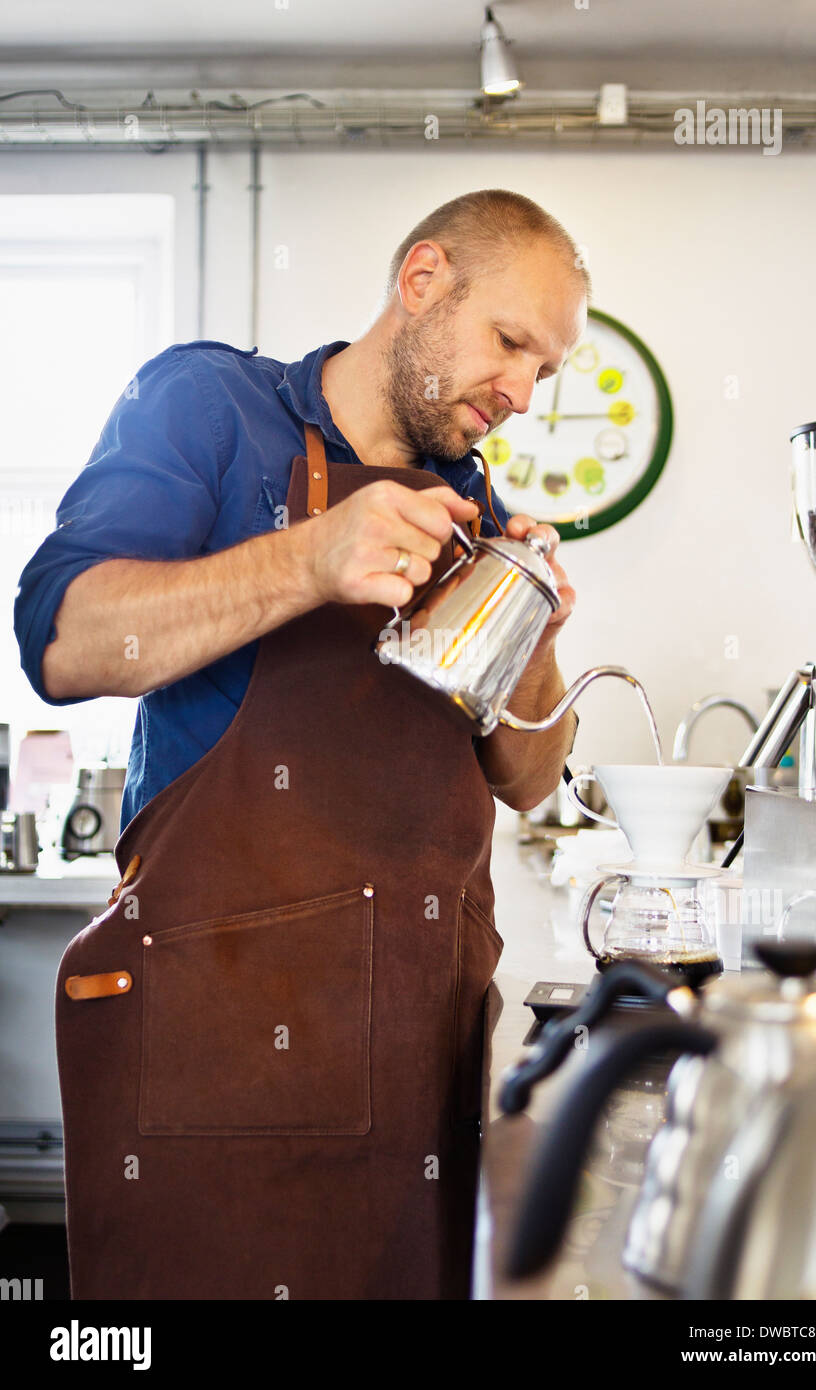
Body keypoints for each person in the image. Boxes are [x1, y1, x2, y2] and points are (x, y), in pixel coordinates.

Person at [15, 187, 588, 1301]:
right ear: (421, 282)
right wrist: (311, 560)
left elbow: (527, 779)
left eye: (543, 373)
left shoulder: (471, 505)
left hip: (417, 1072)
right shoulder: (206, 407)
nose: (518, 393)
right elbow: (66, 639)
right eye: (509, 343)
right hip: (215, 1067)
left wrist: (534, 635)